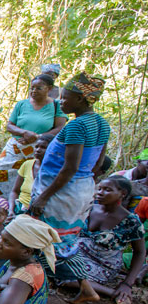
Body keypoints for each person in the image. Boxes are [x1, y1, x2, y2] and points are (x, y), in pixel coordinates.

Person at [29, 73, 110, 291]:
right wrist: (84, 184)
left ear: (82, 100)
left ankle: (36, 285)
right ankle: (85, 287)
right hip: (82, 188)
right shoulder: (102, 124)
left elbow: (69, 167)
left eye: (65, 98)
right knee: (67, 240)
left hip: (62, 191)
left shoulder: (77, 126)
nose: (60, 101)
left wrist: (44, 196)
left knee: (43, 237)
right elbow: (98, 163)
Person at [55, 176, 146, 304]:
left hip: (102, 263)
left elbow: (140, 252)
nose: (100, 192)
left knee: (64, 273)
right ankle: (86, 284)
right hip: (75, 253)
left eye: (107, 190)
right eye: (100, 188)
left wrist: (127, 284)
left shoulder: (131, 222)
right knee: (46, 258)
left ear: (123, 194)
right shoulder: (90, 207)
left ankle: (111, 292)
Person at [0, 74, 66, 197]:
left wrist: (37, 137)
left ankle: (20, 209)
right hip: (15, 147)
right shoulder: (21, 104)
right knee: (0, 176)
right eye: (32, 88)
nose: (34, 91)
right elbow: (9, 125)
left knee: (30, 179)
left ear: (49, 89)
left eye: (39, 88)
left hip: (39, 148)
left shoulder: (56, 106)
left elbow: (60, 127)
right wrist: (24, 133)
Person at [8, 134, 51, 217]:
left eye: (43, 147)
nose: (38, 150)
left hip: (42, 213)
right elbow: (15, 191)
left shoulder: (56, 169)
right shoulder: (27, 164)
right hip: (21, 209)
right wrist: (11, 211)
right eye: (36, 147)